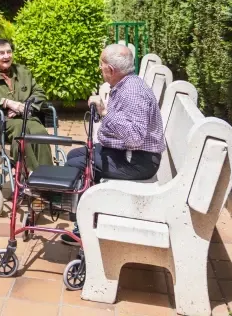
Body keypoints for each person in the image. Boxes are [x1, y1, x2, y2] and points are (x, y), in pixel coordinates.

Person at [61, 43, 166, 244]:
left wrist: (104, 112)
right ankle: (86, 214)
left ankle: (83, 228)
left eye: (101, 64)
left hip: (138, 162)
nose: (99, 68)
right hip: (129, 153)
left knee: (78, 164)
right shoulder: (126, 84)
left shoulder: (132, 92)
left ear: (110, 69)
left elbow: (134, 137)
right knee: (74, 155)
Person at [0, 39, 53, 171]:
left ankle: (47, 173)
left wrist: (23, 107)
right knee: (22, 132)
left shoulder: (23, 71)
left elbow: (39, 93)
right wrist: (7, 102)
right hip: (2, 120)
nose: (6, 56)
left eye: (9, 52)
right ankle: (31, 172)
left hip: (27, 116)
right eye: (1, 53)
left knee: (40, 131)